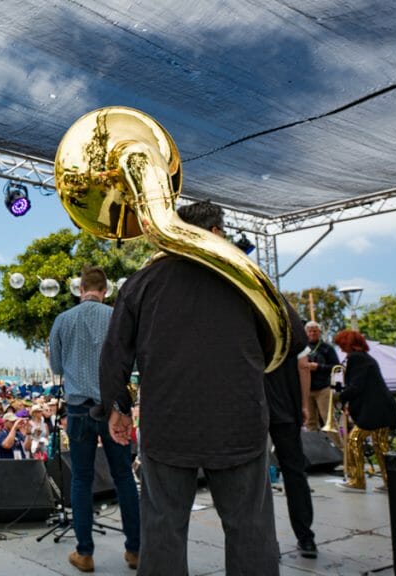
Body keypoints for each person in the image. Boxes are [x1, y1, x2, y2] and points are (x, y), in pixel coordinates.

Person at [99, 200, 280, 576]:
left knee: (162, 528)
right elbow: (288, 337)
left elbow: (115, 352)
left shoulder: (142, 282)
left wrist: (117, 406)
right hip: (239, 418)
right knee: (250, 529)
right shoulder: (246, 277)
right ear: (215, 233)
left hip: (168, 420)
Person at [49, 264, 141, 572]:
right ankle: (135, 550)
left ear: (79, 289)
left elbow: (59, 367)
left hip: (77, 408)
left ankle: (85, 553)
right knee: (124, 476)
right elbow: (131, 359)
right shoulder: (117, 317)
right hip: (113, 406)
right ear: (105, 290)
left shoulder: (63, 320)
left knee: (81, 479)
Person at [265, 309, 319, 558]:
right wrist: (304, 404)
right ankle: (306, 538)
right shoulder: (290, 322)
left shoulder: (246, 318)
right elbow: (304, 367)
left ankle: (263, 541)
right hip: (286, 407)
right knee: (294, 473)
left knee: (255, 477)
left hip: (253, 408)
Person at [333, 330, 396, 491]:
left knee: (354, 441)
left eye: (341, 344)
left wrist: (340, 397)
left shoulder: (356, 358)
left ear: (346, 343)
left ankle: (358, 480)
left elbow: (356, 386)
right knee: (381, 446)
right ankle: (388, 482)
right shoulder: (366, 358)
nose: (340, 348)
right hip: (382, 407)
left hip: (374, 409)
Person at [304, 321, 341, 446]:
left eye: (315, 330)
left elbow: (337, 367)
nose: (312, 333)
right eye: (310, 330)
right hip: (307, 389)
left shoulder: (327, 348)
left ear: (319, 332)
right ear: (306, 333)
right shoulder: (302, 348)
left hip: (323, 389)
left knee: (328, 419)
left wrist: (319, 367)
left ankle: (340, 449)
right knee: (310, 422)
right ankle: (316, 451)